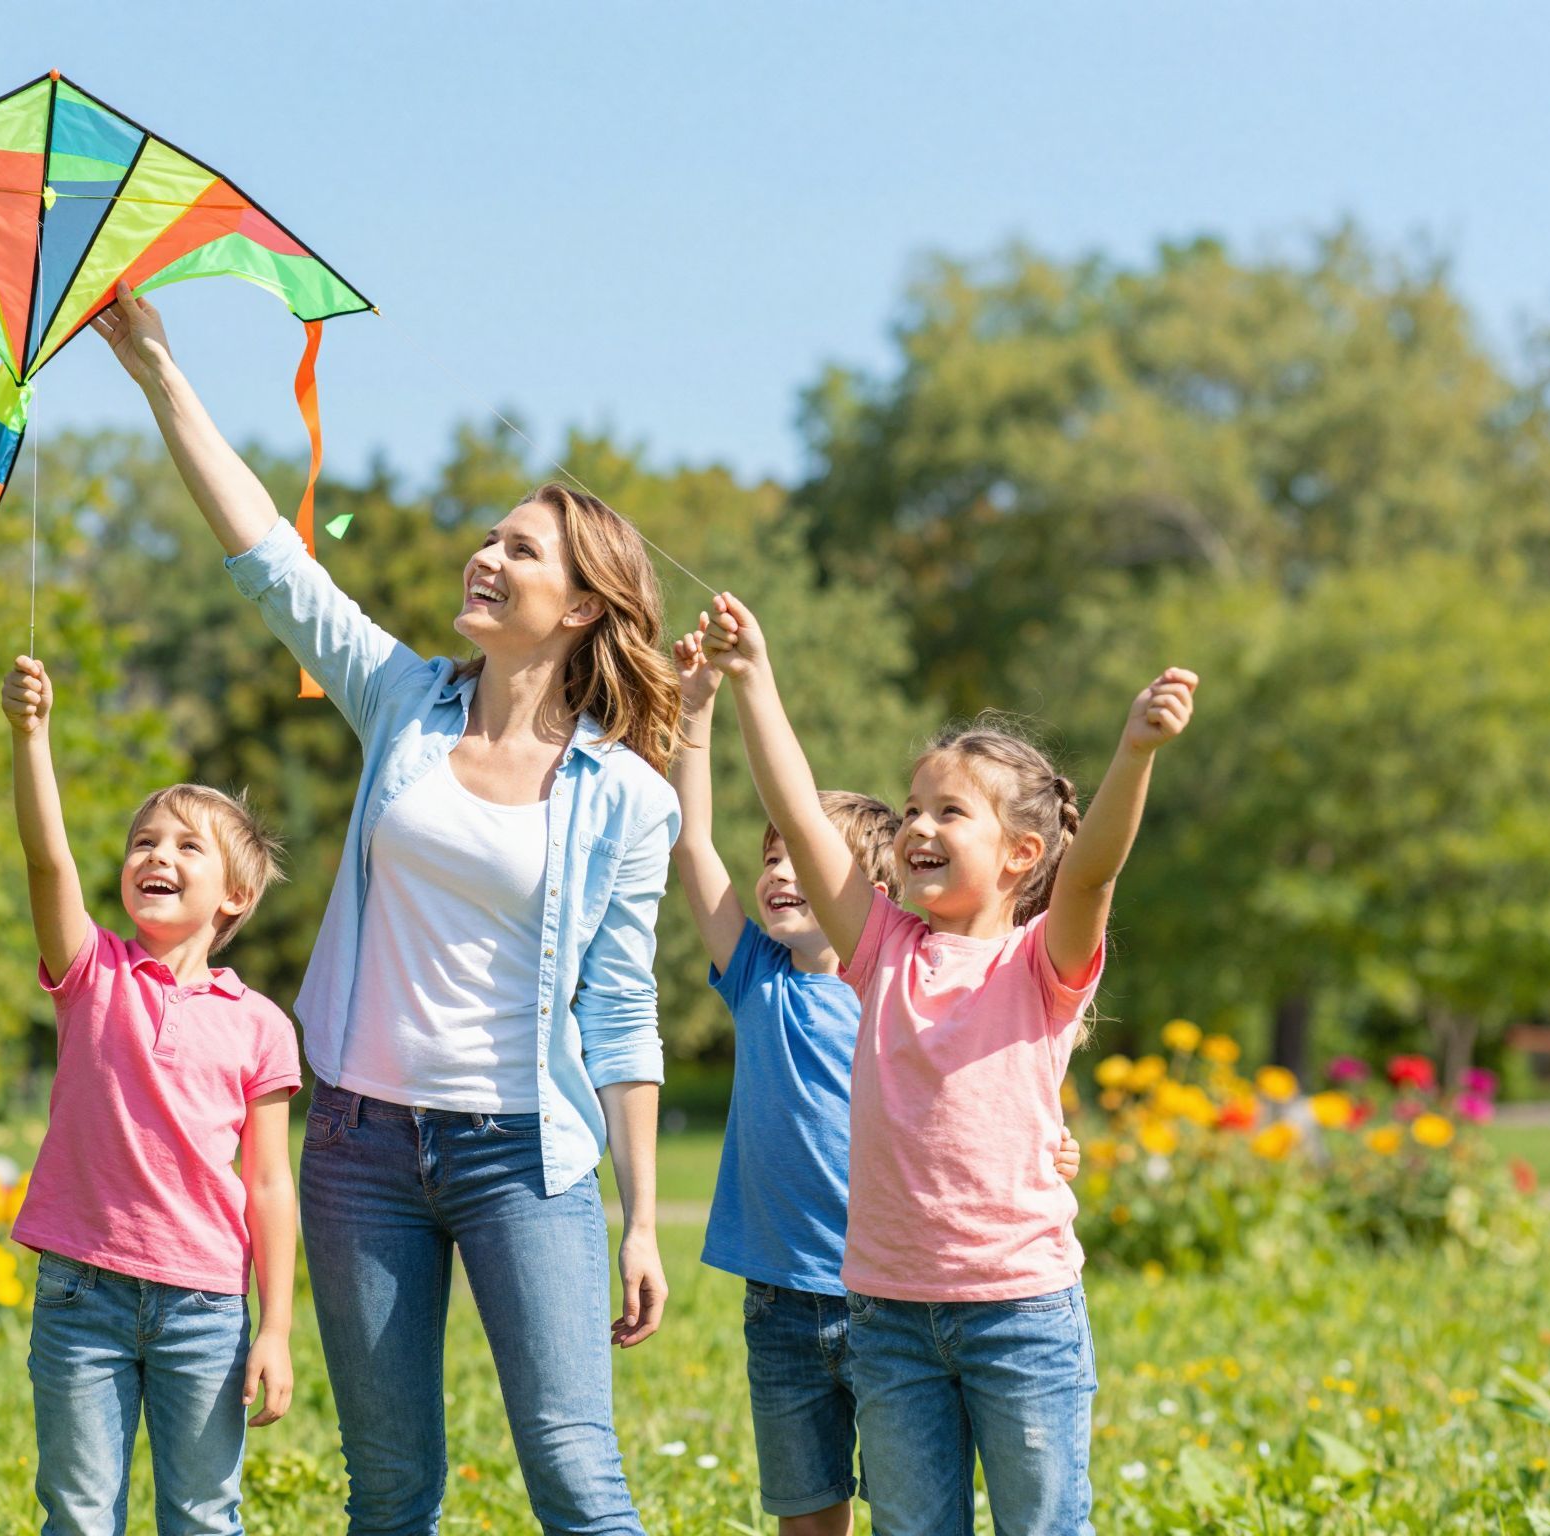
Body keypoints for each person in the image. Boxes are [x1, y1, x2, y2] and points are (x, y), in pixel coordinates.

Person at [94, 281, 680, 1535]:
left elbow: (622, 1010)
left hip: (522, 1154)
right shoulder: (402, 703)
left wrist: (638, 1219)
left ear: (578, 607)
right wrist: (159, 374)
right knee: (390, 1491)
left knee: (578, 1480)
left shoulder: (626, 797)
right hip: (359, 1145)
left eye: (520, 549)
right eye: (490, 537)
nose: (486, 556)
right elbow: (270, 562)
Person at [700, 593, 1195, 1536]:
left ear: (1020, 853)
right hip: (886, 1318)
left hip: (1019, 1313)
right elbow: (800, 816)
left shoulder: (1041, 964)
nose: (916, 826)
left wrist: (1134, 753)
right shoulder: (879, 948)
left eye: (948, 812)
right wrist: (754, 676)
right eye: (913, 808)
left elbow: (1092, 872)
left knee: (1041, 1526)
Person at [669, 633, 1082, 1536]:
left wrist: (1049, 1140)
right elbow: (695, 841)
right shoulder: (761, 978)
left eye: (801, 858)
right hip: (804, 1296)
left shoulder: (898, 978)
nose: (782, 871)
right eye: (771, 857)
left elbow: (990, 1085)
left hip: (901, 1292)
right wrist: (705, 706)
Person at [3, 654, 301, 1536]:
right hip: (80, 1297)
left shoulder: (259, 1025)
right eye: (143, 842)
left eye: (184, 845)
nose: (155, 855)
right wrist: (32, 737)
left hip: (206, 1309)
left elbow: (271, 1186)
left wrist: (276, 1327)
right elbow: (46, 857)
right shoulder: (93, 972)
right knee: (79, 1514)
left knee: (205, 1515)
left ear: (235, 895)